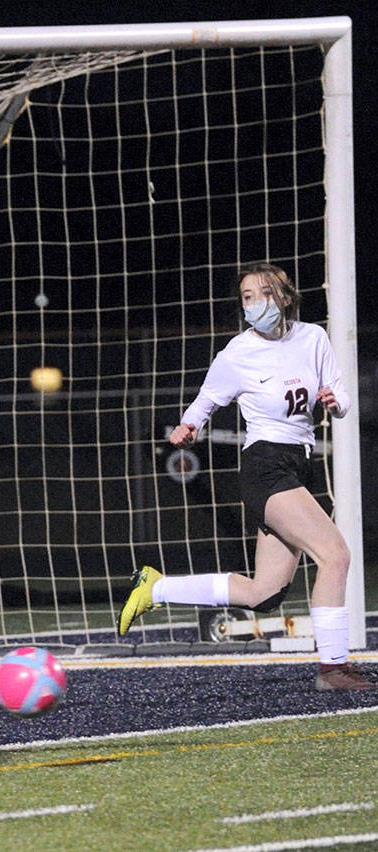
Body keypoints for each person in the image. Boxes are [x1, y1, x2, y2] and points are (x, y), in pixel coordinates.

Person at [118, 262, 373, 691]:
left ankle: (155, 589)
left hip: (297, 463)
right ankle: (333, 670)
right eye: (248, 297)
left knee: (264, 594)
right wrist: (187, 425)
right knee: (336, 555)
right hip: (264, 467)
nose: (255, 303)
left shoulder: (313, 337)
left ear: (286, 297)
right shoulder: (237, 352)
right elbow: (207, 399)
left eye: (264, 293)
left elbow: (340, 393)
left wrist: (335, 401)